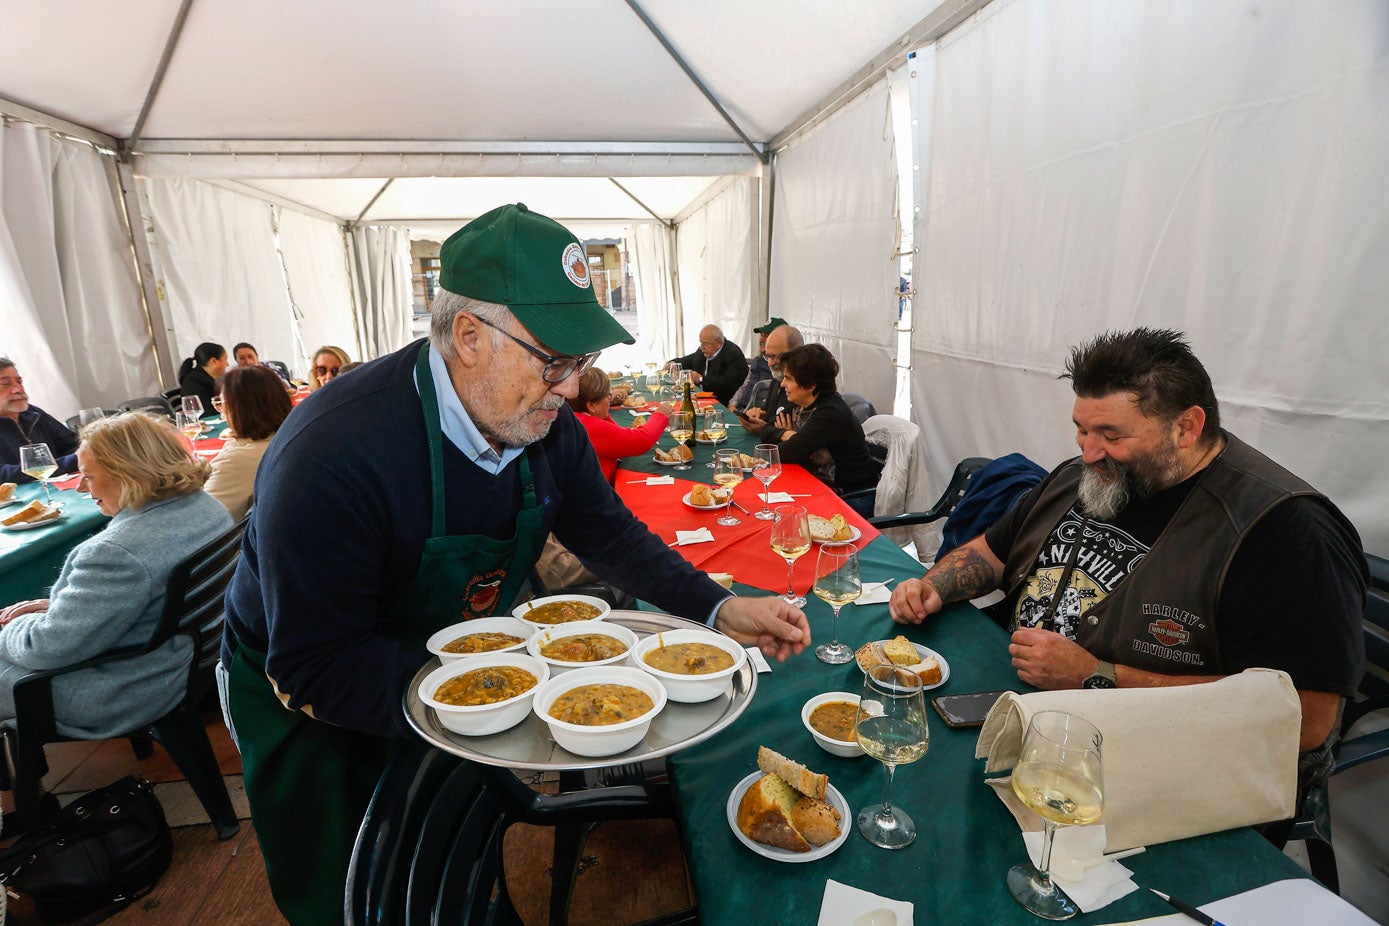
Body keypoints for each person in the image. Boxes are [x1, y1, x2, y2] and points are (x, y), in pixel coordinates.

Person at [220, 203, 810, 925]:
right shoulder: (332, 455)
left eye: (582, 362)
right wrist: (512, 708)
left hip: (451, 663)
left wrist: (719, 608)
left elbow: (611, 537)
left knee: (455, 858)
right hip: (314, 699)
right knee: (360, 892)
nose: (570, 388)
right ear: (467, 337)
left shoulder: (537, 418)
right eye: (554, 361)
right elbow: (312, 666)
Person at [889, 328, 1366, 785]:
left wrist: (1094, 677)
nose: (1090, 453)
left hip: (1148, 763)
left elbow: (1306, 717)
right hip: (1013, 704)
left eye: (1112, 436)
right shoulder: (1081, 476)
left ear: (1187, 427)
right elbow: (993, 552)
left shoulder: (1287, 532)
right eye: (1081, 430)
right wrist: (935, 585)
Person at [0, 413, 231, 738]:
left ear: (128, 474)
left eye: (88, 476)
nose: (81, 487)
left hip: (128, 689)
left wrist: (11, 627)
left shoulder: (115, 552)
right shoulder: (205, 506)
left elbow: (48, 648)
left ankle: (23, 781)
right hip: (188, 666)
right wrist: (56, 608)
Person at [757, 343, 882, 513]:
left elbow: (785, 453)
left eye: (789, 379)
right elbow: (765, 430)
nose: (782, 384)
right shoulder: (801, 403)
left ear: (810, 385)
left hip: (851, 497)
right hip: (817, 485)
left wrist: (790, 441)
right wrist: (786, 434)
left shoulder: (831, 413)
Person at [205, 365, 293, 520]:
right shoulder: (288, 438)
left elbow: (203, 519)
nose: (222, 412)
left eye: (222, 403)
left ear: (239, 409)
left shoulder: (237, 461)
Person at [567, 366, 672, 483]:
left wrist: (603, 405)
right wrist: (660, 416)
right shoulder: (589, 427)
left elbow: (615, 436)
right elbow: (640, 441)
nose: (609, 400)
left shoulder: (575, 416)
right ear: (591, 405)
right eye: (607, 396)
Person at [0, 358, 79, 483]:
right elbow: (5, 474)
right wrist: (75, 460)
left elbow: (73, 444)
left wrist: (83, 456)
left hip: (61, 488)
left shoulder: (33, 413)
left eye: (19, 381)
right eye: (5, 384)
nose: (18, 389)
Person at [737, 324, 804, 434]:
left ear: (795, 353)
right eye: (767, 356)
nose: (769, 363)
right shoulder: (776, 380)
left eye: (774, 356)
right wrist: (759, 416)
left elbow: (794, 436)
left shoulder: (803, 388)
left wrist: (766, 430)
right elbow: (774, 419)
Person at [669, 324, 748, 406]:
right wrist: (673, 363)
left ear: (719, 342)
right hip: (699, 399)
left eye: (705, 344)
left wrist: (700, 379)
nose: (702, 347)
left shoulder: (733, 354)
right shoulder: (703, 350)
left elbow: (728, 385)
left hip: (721, 403)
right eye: (701, 343)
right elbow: (689, 360)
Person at [728, 316, 785, 414]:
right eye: (761, 335)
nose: (760, 340)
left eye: (766, 336)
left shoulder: (782, 368)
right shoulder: (757, 360)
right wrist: (732, 405)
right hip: (740, 410)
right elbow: (744, 386)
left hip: (756, 415)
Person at [178, 342, 228, 415]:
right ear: (213, 361)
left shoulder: (204, 378)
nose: (227, 364)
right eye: (225, 359)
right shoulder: (194, 383)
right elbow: (209, 413)